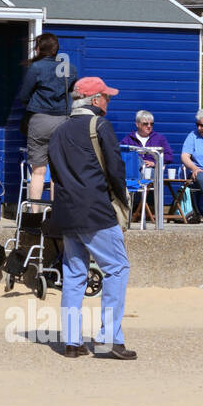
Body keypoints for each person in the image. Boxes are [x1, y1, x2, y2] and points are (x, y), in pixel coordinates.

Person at [46, 76, 136, 360]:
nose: (108, 101)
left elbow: (55, 173)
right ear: (95, 100)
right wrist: (122, 200)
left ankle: (72, 342)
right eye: (106, 97)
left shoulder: (58, 131)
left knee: (74, 275)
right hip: (95, 209)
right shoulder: (100, 125)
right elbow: (115, 168)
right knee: (118, 268)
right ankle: (109, 339)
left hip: (66, 210)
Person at [11, 32, 76, 205]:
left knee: (38, 172)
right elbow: (73, 93)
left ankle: (34, 217)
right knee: (57, 172)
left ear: (39, 48)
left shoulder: (36, 67)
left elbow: (24, 95)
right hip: (63, 121)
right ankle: (56, 216)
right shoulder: (70, 69)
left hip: (39, 121)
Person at [122, 110, 174, 222]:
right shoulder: (128, 139)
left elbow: (169, 156)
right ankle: (134, 210)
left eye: (151, 124)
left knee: (149, 177)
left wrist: (155, 162)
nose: (149, 126)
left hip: (152, 173)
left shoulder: (159, 138)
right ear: (137, 124)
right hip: (134, 173)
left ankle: (144, 210)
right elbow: (121, 155)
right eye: (146, 124)